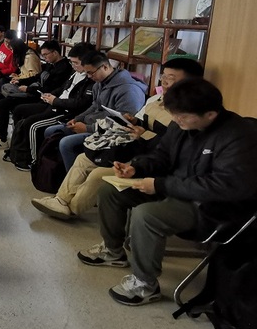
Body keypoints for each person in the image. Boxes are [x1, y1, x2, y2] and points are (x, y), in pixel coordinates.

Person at [76, 78, 257, 306]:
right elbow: (162, 155)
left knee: (146, 215)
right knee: (109, 190)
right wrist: (137, 168)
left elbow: (225, 186)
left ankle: (145, 285)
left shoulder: (239, 136)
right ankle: (113, 252)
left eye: (182, 117)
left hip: (212, 208)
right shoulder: (182, 124)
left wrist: (160, 185)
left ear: (211, 114)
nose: (176, 120)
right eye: (174, 115)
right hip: (175, 188)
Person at [32, 57, 204, 220]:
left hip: (150, 160)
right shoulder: (155, 100)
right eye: (163, 76)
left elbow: (172, 146)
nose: (164, 82)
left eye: (170, 78)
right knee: (83, 158)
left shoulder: (188, 113)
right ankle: (61, 200)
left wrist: (143, 134)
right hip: (133, 147)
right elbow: (143, 122)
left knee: (98, 173)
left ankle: (71, 209)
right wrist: (135, 122)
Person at [42, 51, 146, 170]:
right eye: (87, 73)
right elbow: (94, 106)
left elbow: (124, 123)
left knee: (66, 143)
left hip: (114, 134)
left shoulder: (129, 90)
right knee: (51, 131)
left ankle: (72, 175)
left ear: (105, 67)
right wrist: (77, 119)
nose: (89, 77)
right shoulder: (99, 83)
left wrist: (87, 128)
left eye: (91, 73)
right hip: (95, 124)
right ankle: (55, 172)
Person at [5, 42, 96, 171]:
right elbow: (63, 88)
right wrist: (50, 95)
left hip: (64, 110)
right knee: (19, 110)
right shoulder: (74, 72)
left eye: (76, 63)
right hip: (53, 103)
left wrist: (55, 100)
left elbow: (80, 103)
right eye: (72, 62)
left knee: (32, 125)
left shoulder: (89, 79)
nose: (73, 66)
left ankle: (34, 161)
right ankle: (17, 151)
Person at [0, 40, 71, 150]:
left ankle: (3, 139)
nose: (44, 58)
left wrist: (28, 89)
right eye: (43, 55)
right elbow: (37, 77)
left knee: (4, 103)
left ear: (55, 53)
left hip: (40, 96)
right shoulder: (50, 64)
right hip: (34, 90)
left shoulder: (63, 68)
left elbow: (50, 89)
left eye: (45, 55)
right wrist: (20, 81)